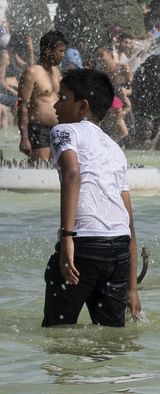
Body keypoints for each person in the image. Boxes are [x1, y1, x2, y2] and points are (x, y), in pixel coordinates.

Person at [42, 69, 140, 328]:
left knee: (57, 333)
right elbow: (128, 221)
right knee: (110, 341)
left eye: (63, 97)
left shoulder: (65, 131)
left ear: (82, 106)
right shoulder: (115, 149)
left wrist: (67, 237)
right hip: (118, 250)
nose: (56, 104)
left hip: (83, 244)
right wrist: (132, 288)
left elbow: (72, 173)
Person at [18, 30, 66, 162]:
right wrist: (24, 137)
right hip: (39, 129)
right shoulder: (32, 72)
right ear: (47, 51)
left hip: (58, 129)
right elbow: (22, 107)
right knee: (40, 170)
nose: (63, 55)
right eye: (60, 51)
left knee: (57, 172)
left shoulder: (56, 72)